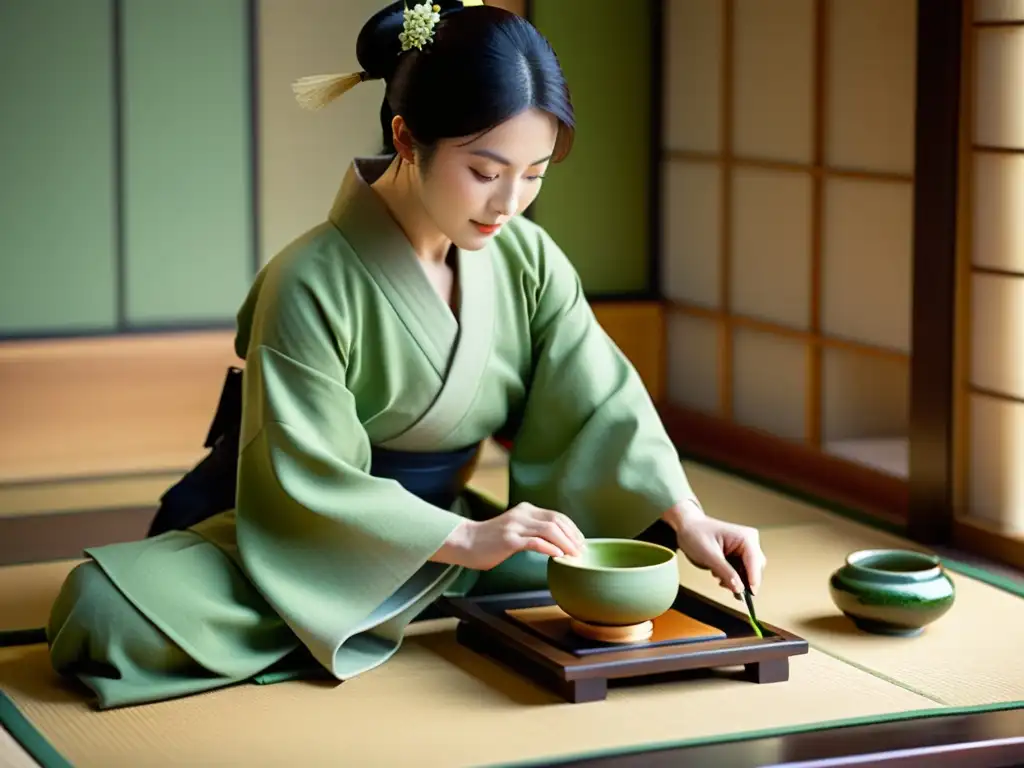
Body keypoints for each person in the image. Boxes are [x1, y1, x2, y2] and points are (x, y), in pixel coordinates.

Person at [46, 0, 767, 710]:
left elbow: (602, 402)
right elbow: (304, 476)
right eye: (485, 172)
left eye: (535, 172)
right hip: (310, 541)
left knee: (598, 566)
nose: (509, 202)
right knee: (100, 612)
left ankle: (412, 598)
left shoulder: (529, 260)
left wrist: (686, 517)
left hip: (465, 542)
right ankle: (385, 602)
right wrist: (462, 537)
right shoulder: (307, 280)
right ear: (406, 136)